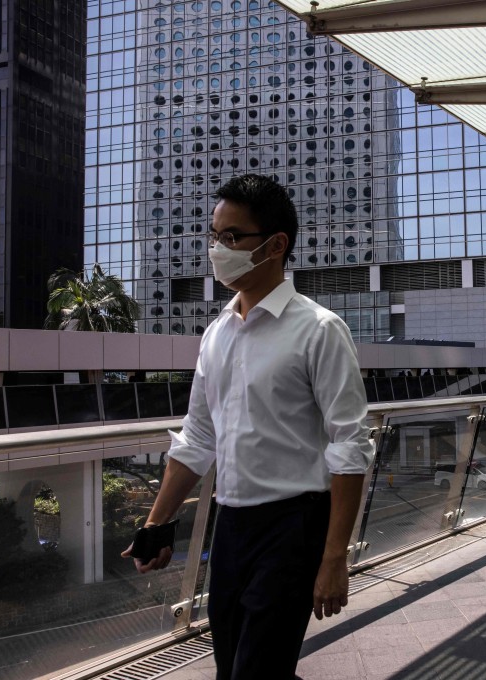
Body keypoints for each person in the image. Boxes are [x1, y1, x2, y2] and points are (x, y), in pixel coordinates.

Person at [124, 174, 375, 680]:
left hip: (294, 527)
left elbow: (350, 445)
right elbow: (197, 437)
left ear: (276, 245)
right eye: (214, 236)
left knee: (255, 671)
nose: (219, 249)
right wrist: (156, 524)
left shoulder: (320, 330)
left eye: (233, 237)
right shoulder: (216, 334)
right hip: (231, 526)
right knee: (234, 667)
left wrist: (334, 557)